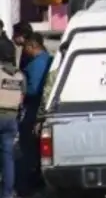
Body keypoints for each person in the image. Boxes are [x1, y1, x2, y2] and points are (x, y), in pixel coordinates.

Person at [18, 33, 52, 193]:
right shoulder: (47, 59)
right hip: (40, 107)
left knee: (29, 142)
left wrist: (20, 91)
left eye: (25, 47)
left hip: (34, 107)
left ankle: (31, 176)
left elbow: (33, 89)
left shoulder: (37, 64)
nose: (24, 50)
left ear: (32, 46)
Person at [0, 23, 18, 198]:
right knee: (8, 159)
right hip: (12, 118)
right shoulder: (19, 75)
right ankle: (7, 193)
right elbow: (24, 95)